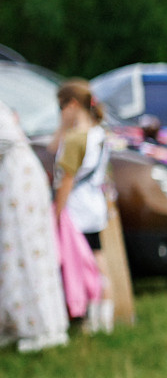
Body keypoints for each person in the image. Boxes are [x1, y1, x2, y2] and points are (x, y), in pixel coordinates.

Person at [0, 107, 69, 353]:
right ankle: (14, 323)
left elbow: (5, 139)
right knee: (10, 258)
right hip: (11, 185)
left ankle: (42, 326)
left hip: (19, 185)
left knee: (29, 253)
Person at [50, 81, 113, 334]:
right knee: (97, 258)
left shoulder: (76, 139)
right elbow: (54, 148)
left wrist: (55, 213)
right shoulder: (98, 132)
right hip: (94, 204)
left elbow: (65, 181)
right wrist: (64, 126)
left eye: (61, 108)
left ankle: (89, 317)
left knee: (82, 264)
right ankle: (103, 318)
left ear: (72, 105)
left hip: (76, 209)